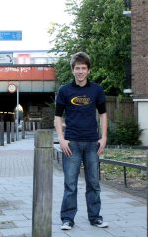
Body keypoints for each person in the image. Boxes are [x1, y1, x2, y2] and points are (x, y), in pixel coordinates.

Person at [54, 52, 108, 231]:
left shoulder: (96, 90)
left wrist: (104, 137)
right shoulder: (64, 91)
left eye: (83, 68)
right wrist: (61, 139)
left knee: (94, 183)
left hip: (92, 143)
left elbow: (103, 114)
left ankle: (95, 218)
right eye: (77, 68)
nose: (80, 71)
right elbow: (57, 117)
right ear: (72, 70)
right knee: (70, 184)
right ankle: (67, 219)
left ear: (88, 70)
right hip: (71, 144)